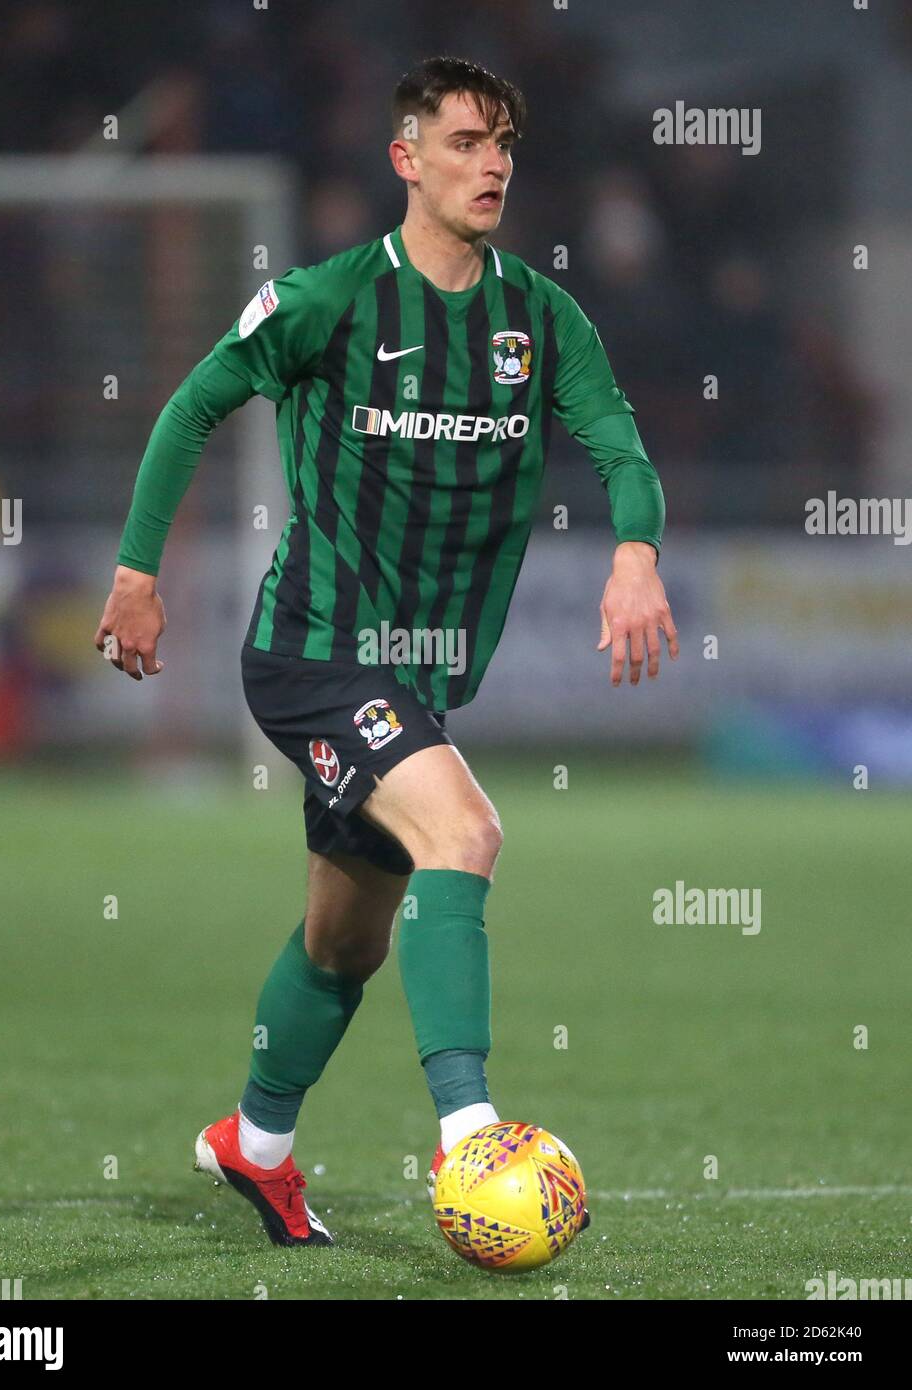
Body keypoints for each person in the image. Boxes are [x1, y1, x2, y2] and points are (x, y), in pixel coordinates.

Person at [95, 56, 678, 1247]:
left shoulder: (541, 318)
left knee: (344, 939)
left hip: (411, 677)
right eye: (465, 141)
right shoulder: (330, 298)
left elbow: (620, 447)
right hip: (313, 650)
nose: (494, 162)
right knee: (465, 830)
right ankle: (473, 1136)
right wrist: (138, 572)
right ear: (406, 158)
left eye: (504, 142)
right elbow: (192, 403)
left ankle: (254, 1148)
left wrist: (635, 553)